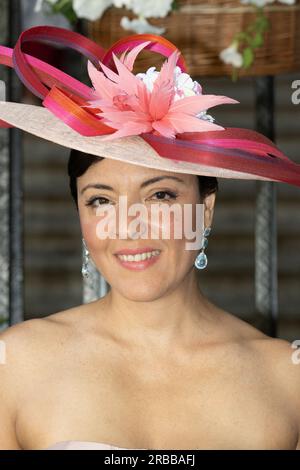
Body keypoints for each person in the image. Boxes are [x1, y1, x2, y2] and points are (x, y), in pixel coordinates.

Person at [0, 26, 299, 450]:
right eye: (101, 201)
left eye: (160, 195)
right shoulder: (16, 365)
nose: (129, 225)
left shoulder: (287, 380)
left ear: (205, 207)